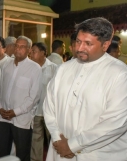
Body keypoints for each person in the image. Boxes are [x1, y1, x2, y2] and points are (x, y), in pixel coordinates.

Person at [44, 17, 127, 161]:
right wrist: (57, 137)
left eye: (88, 43)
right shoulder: (64, 68)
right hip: (60, 149)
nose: (79, 48)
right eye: (78, 41)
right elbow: (49, 105)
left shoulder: (120, 74)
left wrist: (73, 145)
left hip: (98, 154)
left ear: (105, 45)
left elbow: (115, 123)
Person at [0, 36, 42, 161]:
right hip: (3, 116)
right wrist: (0, 108)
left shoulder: (34, 69)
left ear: (29, 50)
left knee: (22, 153)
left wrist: (15, 112)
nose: (18, 49)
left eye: (22, 47)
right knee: (1, 151)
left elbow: (34, 97)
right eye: (16, 45)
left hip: (21, 119)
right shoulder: (6, 65)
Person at [29, 42, 57, 161]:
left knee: (53, 141)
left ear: (43, 53)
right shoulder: (30, 68)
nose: (31, 54)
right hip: (35, 111)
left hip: (49, 112)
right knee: (36, 142)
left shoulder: (54, 68)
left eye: (34, 51)